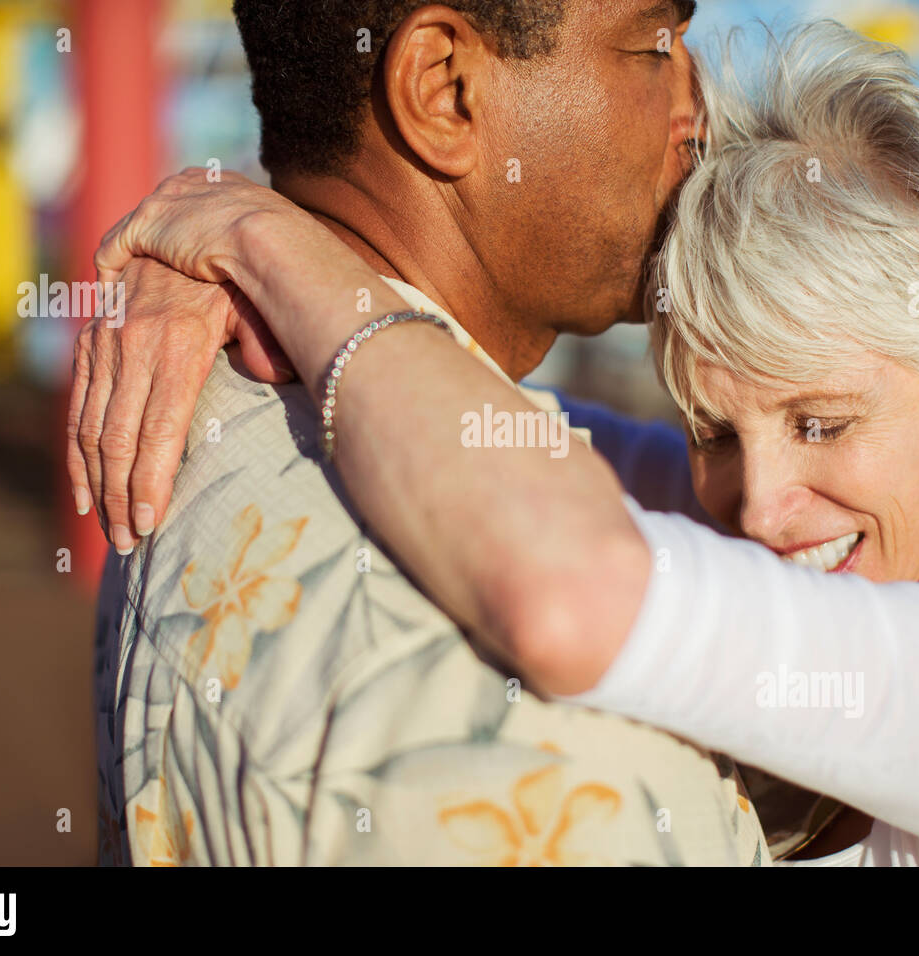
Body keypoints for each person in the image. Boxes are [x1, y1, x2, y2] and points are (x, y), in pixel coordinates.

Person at [76, 20, 919, 865]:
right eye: (712, 432)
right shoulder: (800, 531)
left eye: (821, 423)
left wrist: (265, 244)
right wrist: (222, 255)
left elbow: (569, 588)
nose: (756, 507)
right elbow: (477, 420)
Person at [79, 0, 777, 866]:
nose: (698, 109)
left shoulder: (191, 410)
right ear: (445, 90)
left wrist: (256, 239)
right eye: (653, 46)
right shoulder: (540, 725)